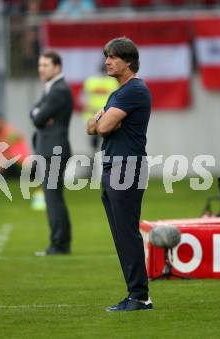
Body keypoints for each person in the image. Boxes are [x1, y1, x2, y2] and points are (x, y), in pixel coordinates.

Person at [86, 37, 152, 311]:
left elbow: (101, 127)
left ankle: (140, 296)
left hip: (127, 167)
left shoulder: (133, 90)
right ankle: (134, 294)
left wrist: (103, 120)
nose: (107, 61)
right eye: (107, 56)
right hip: (114, 165)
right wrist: (102, 120)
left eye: (113, 57)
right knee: (120, 234)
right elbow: (91, 126)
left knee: (127, 233)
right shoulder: (117, 93)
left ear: (128, 62)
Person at [30, 50, 73, 256]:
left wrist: (40, 114)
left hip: (53, 150)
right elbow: (35, 112)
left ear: (57, 67)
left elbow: (38, 117)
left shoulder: (58, 90)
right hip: (51, 149)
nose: (41, 69)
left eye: (45, 65)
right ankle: (60, 242)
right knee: (53, 197)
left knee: (52, 198)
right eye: (40, 65)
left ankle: (59, 244)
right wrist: (39, 113)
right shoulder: (52, 88)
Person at [82, 64, 118, 154]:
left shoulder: (90, 81)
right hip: (106, 114)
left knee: (95, 139)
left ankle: (94, 156)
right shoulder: (113, 81)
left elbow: (83, 98)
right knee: (106, 137)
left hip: (94, 114)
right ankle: (103, 155)